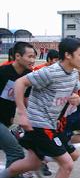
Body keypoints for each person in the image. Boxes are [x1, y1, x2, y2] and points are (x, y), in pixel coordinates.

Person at [0, 37, 80, 178]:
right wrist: (22, 113)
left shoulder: (74, 74)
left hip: (50, 125)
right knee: (67, 164)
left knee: (32, 163)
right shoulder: (50, 72)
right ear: (68, 55)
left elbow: (72, 95)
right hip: (39, 124)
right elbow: (20, 82)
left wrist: (76, 98)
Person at [0, 42, 36, 178]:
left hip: (5, 120)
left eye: (34, 57)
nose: (33, 60)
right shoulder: (3, 72)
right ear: (18, 56)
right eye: (30, 56)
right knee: (16, 152)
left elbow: (25, 99)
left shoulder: (28, 75)